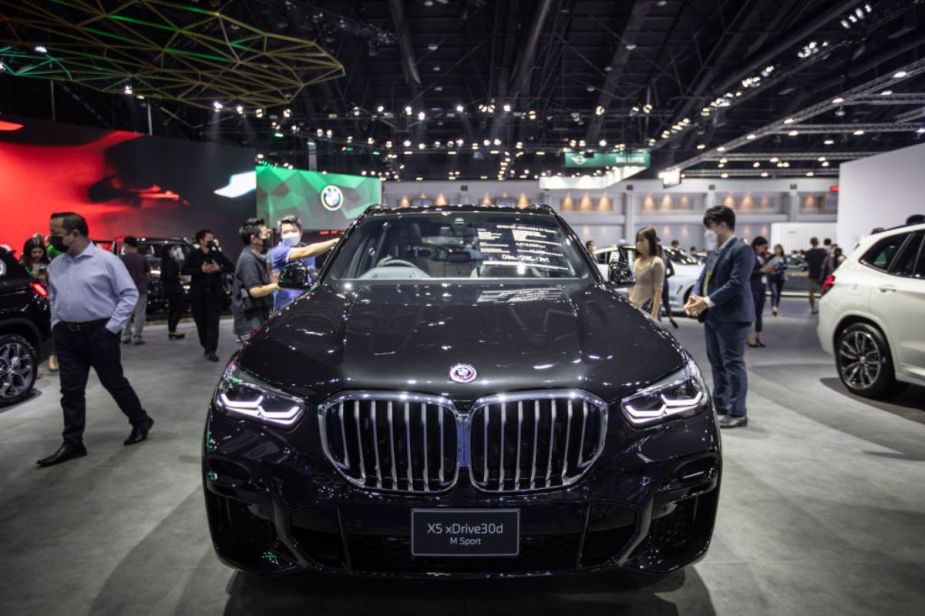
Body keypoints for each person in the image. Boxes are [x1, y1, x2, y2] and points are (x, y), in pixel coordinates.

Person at [36, 212, 154, 468]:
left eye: (56, 232)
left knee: (114, 382)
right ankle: (72, 443)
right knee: (70, 391)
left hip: (99, 333)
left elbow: (128, 294)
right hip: (67, 335)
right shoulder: (57, 264)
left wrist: (111, 328)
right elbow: (54, 298)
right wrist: (57, 325)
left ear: (74, 233)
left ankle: (140, 420)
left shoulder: (107, 261)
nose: (51, 237)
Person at [683, 206, 755, 429]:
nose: (709, 231)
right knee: (716, 363)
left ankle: (738, 412)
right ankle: (720, 404)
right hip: (714, 316)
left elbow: (735, 284)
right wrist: (695, 297)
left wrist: (707, 301)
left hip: (733, 317)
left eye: (711, 227)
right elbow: (703, 277)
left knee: (732, 363)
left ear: (722, 224)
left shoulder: (742, 250)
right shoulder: (716, 251)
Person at [183, 229, 233, 361]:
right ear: (201, 240)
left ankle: (211, 350)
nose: (211, 240)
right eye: (208, 238)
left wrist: (219, 269)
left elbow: (231, 267)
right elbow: (184, 269)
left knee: (213, 322)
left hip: (215, 294)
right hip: (198, 294)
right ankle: (206, 345)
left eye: (212, 238)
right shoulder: (193, 255)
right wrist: (200, 270)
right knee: (201, 322)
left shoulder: (217, 254)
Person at [270, 215, 339, 311]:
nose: (290, 234)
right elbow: (306, 252)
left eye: (293, 231)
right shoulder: (278, 252)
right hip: (286, 306)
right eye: (285, 232)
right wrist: (336, 241)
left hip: (306, 304)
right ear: (281, 235)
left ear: (301, 231)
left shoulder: (306, 247)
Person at [233, 218, 278, 342]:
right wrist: (277, 285)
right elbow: (255, 291)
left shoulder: (255, 257)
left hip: (257, 318)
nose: (268, 236)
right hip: (251, 323)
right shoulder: (248, 259)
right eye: (265, 234)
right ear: (254, 238)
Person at [628, 227, 665, 320]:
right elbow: (632, 285)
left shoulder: (656, 262)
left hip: (646, 309)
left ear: (650, 242)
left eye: (642, 240)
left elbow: (658, 290)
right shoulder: (636, 262)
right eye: (637, 240)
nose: (638, 243)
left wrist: (654, 314)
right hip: (633, 307)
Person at [119, 236, 150, 345]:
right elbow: (147, 274)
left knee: (126, 313)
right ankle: (137, 336)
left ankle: (126, 335)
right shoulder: (142, 258)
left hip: (126, 290)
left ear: (127, 245)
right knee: (140, 313)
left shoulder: (122, 259)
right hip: (141, 289)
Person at [747, 237, 773, 348]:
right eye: (764, 246)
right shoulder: (751, 256)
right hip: (753, 287)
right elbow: (748, 273)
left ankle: (759, 336)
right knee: (751, 313)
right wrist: (761, 271)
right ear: (757, 245)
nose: (765, 249)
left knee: (759, 313)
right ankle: (749, 337)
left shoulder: (763, 257)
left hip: (762, 287)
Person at [160, 244, 187, 340]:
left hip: (168, 288)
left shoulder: (164, 261)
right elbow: (171, 275)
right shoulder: (171, 262)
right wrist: (180, 277)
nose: (175, 251)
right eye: (173, 249)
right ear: (169, 250)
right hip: (175, 289)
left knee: (172, 310)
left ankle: (172, 330)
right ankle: (173, 329)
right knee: (179, 308)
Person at [656, 238, 678, 328]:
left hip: (657, 282)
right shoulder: (666, 256)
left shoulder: (653, 257)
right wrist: (666, 277)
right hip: (665, 282)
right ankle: (670, 317)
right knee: (666, 302)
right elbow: (672, 271)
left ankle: (658, 320)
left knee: (656, 302)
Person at [804, 237, 828, 314]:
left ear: (811, 243)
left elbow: (806, 262)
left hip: (812, 274)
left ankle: (813, 308)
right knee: (823, 292)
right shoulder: (824, 252)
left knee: (811, 292)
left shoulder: (808, 253)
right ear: (818, 242)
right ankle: (823, 308)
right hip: (822, 275)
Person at [766, 244, 788, 317]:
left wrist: (778, 268)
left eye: (778, 249)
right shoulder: (771, 257)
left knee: (778, 294)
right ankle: (773, 307)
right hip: (772, 278)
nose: (776, 250)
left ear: (781, 249)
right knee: (774, 293)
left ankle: (776, 307)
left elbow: (785, 266)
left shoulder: (783, 257)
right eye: (775, 249)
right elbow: (767, 265)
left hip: (780, 278)